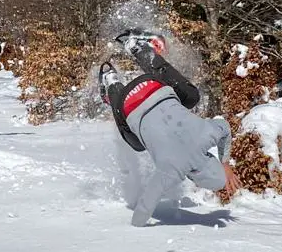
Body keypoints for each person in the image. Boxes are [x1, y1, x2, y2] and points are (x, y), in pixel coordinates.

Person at [99, 31, 241, 226]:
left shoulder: (206, 134)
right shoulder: (170, 172)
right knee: (136, 144)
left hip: (152, 84)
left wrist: (224, 162)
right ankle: (111, 82)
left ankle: (139, 48)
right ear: (195, 181)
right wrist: (137, 224)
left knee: (191, 97)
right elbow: (143, 210)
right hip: (128, 101)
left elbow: (225, 127)